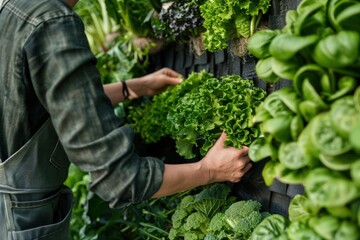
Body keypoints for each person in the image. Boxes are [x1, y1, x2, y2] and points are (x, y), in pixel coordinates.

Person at [0, 0, 252, 239]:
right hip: (20, 223)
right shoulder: (51, 22)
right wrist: (208, 170)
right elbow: (120, 179)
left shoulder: (14, 10)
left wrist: (133, 87)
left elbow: (53, 103)